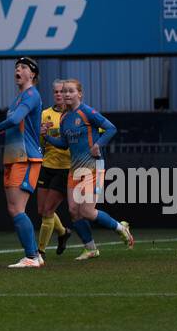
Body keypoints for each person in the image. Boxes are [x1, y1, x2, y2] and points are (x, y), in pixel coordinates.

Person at [44, 79, 133, 260]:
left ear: (79, 94)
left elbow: (110, 128)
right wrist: (46, 137)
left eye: (71, 91)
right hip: (75, 169)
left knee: (87, 211)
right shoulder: (64, 118)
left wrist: (99, 144)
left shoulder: (87, 112)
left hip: (94, 167)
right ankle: (91, 248)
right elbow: (64, 144)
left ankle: (120, 227)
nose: (67, 94)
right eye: (64, 91)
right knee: (73, 211)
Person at [0, 56, 45, 268]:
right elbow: (17, 124)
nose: (18, 69)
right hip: (13, 157)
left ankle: (32, 257)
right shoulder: (18, 98)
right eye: (17, 67)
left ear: (32, 74)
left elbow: (16, 120)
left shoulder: (31, 95)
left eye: (23, 67)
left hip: (26, 158)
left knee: (18, 209)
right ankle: (35, 255)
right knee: (14, 209)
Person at [36, 79, 73, 257]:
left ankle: (40, 252)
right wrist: (42, 134)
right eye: (56, 92)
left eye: (62, 91)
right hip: (47, 165)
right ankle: (63, 232)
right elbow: (41, 143)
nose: (59, 94)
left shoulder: (74, 115)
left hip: (65, 168)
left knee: (48, 211)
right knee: (42, 210)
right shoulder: (45, 114)